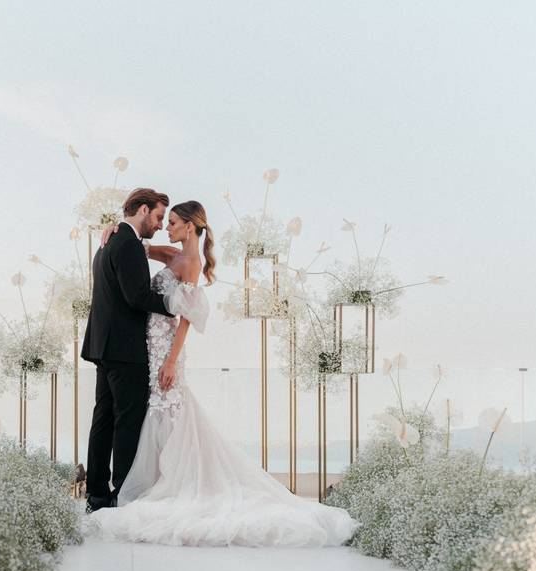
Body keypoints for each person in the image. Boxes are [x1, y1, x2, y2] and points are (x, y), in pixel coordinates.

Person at [87, 200, 359, 546]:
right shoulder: (173, 255)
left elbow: (186, 318)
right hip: (147, 345)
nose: (166, 228)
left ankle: (156, 486)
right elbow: (138, 244)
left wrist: (171, 360)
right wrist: (112, 227)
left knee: (161, 412)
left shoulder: (192, 263)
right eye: (163, 220)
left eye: (172, 223)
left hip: (164, 349)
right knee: (149, 414)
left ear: (189, 226)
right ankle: (148, 484)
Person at [80, 187, 173, 513]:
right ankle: (123, 493)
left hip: (102, 345)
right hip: (125, 348)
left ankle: (96, 495)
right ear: (144, 209)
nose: (161, 225)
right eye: (160, 216)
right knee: (128, 420)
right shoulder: (128, 243)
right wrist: (177, 305)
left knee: (103, 418)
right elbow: (137, 297)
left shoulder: (108, 243)